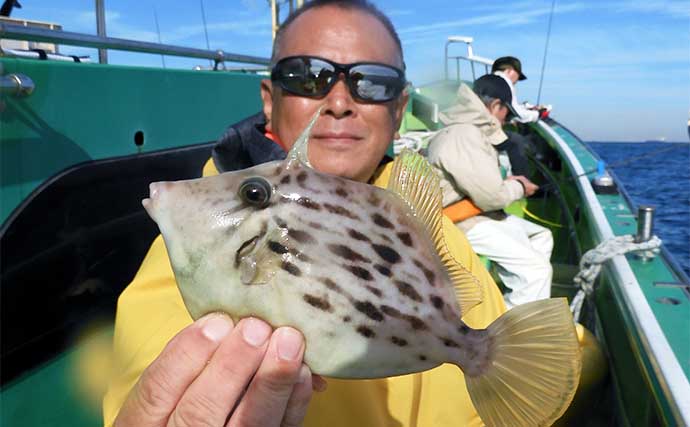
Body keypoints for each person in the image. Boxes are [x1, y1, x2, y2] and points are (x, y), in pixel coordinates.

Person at [102, 1, 506, 426]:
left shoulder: (430, 233)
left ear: (400, 107)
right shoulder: (184, 253)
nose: (338, 101)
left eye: (372, 82)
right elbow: (148, 361)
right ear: (269, 100)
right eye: (307, 76)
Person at [427, 74, 554, 309]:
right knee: (537, 270)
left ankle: (513, 298)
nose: (506, 120)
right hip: (455, 222)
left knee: (541, 236)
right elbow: (492, 197)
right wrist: (520, 186)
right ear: (496, 106)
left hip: (473, 214)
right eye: (507, 111)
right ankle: (510, 333)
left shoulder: (468, 132)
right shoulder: (464, 135)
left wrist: (511, 183)